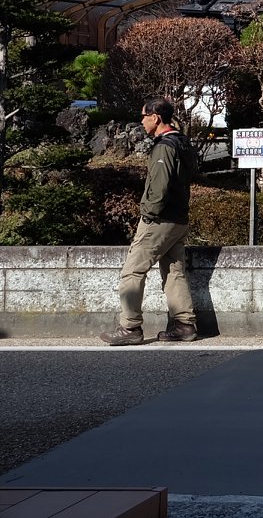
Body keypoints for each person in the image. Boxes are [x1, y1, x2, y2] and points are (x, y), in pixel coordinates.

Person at [100, 98, 199, 346]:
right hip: (179, 218)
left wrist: (148, 213)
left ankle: (130, 327)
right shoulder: (182, 142)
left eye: (143, 116)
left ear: (155, 117)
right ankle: (184, 324)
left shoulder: (164, 147)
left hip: (159, 219)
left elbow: (159, 186)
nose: (141, 121)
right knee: (174, 271)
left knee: (132, 271)